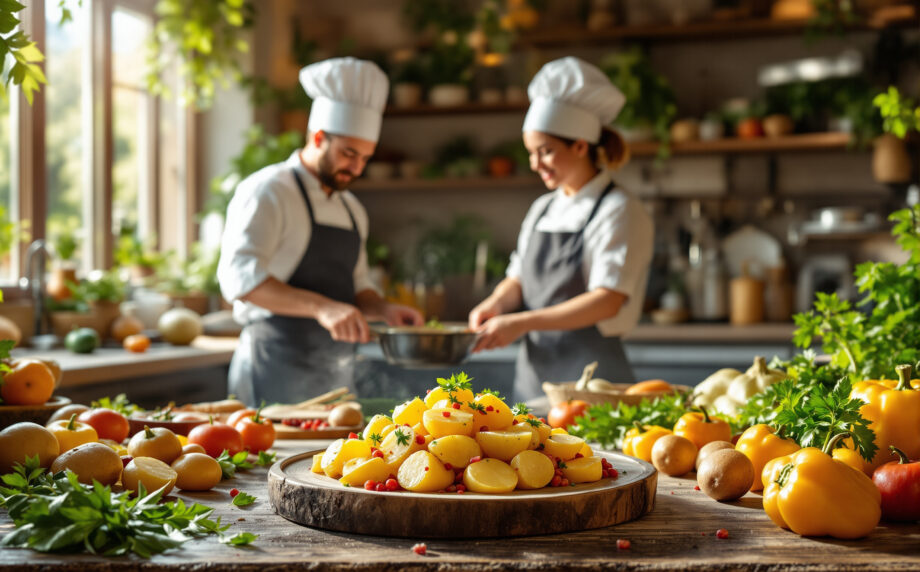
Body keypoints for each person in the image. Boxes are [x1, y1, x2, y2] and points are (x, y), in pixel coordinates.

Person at [217, 57, 423, 405]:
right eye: (348, 154)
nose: (356, 168)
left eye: (365, 158)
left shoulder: (351, 209)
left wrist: (383, 309)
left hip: (336, 377)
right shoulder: (268, 190)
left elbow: (359, 286)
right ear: (318, 137)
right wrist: (323, 308)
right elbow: (240, 280)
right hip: (272, 368)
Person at [468, 56, 654, 402]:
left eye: (546, 152)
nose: (535, 164)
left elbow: (607, 301)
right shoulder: (543, 208)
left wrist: (522, 322)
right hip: (534, 382)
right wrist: (495, 304)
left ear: (581, 145)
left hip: (595, 387)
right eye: (531, 153)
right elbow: (519, 277)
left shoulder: (620, 210)